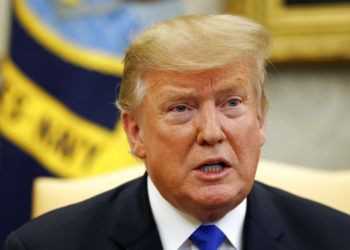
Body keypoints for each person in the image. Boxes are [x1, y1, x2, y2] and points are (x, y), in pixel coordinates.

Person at [5, 14, 350, 250]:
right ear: (135, 132)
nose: (212, 133)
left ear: (260, 120)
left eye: (232, 102)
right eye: (181, 108)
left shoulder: (336, 239)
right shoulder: (46, 246)